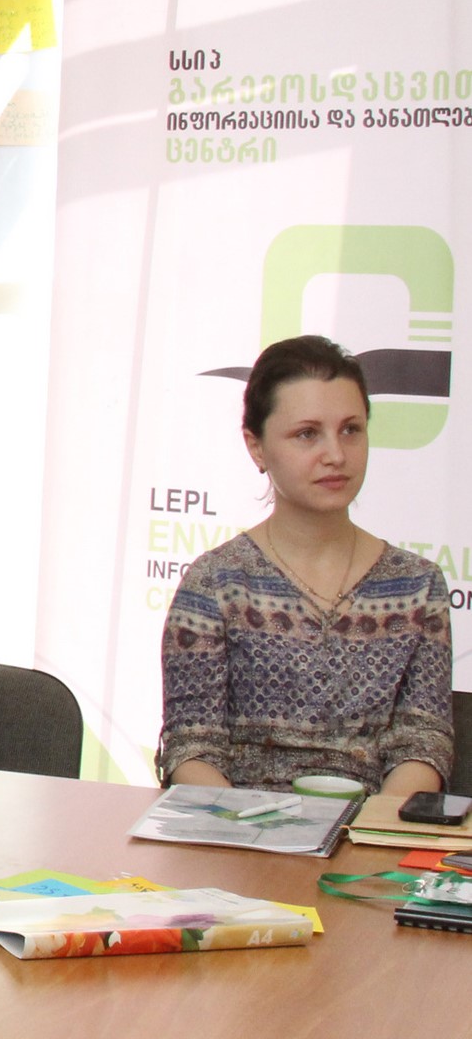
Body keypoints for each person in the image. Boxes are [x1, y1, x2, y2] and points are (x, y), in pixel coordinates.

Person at [160, 336, 453, 793]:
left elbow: (424, 743)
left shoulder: (417, 586)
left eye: (351, 430)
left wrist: (375, 824)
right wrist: (241, 826)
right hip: (235, 827)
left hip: (370, 829)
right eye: (307, 434)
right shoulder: (216, 584)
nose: (335, 455)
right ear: (256, 447)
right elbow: (191, 747)